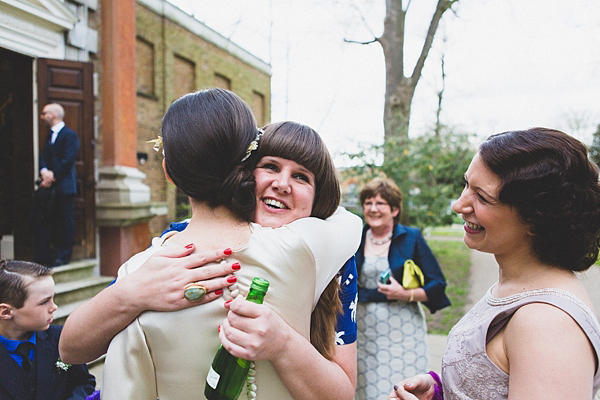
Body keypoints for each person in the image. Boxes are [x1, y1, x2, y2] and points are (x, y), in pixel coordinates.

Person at [60, 120, 360, 399]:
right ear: (242, 173)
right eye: (270, 166)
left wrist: (283, 344)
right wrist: (131, 293)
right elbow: (71, 348)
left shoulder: (333, 262)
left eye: (301, 177)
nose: (282, 184)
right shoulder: (179, 245)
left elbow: (343, 391)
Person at [390, 128, 600, 400]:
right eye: (467, 185)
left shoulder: (548, 325)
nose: (458, 205)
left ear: (535, 219)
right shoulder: (516, 285)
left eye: (482, 197)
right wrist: (440, 392)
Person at [355, 177, 450, 400]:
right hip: (363, 331)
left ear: (395, 210)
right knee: (365, 390)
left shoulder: (412, 238)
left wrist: (406, 294)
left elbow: (438, 285)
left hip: (403, 333)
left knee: (400, 390)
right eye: (368, 203)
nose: (373, 209)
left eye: (380, 204)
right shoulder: (355, 238)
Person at [0, 259, 95, 399]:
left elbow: (83, 382)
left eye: (53, 298)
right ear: (6, 312)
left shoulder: (63, 338)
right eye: (44, 302)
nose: (54, 307)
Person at [34, 103, 79, 267]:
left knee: (66, 221)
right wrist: (44, 171)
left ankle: (64, 256)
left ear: (52, 115)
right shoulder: (48, 136)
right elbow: (43, 157)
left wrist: (52, 175)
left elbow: (68, 160)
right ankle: (48, 255)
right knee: (51, 221)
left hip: (65, 187)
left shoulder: (70, 135)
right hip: (50, 188)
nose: (42, 116)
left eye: (44, 113)